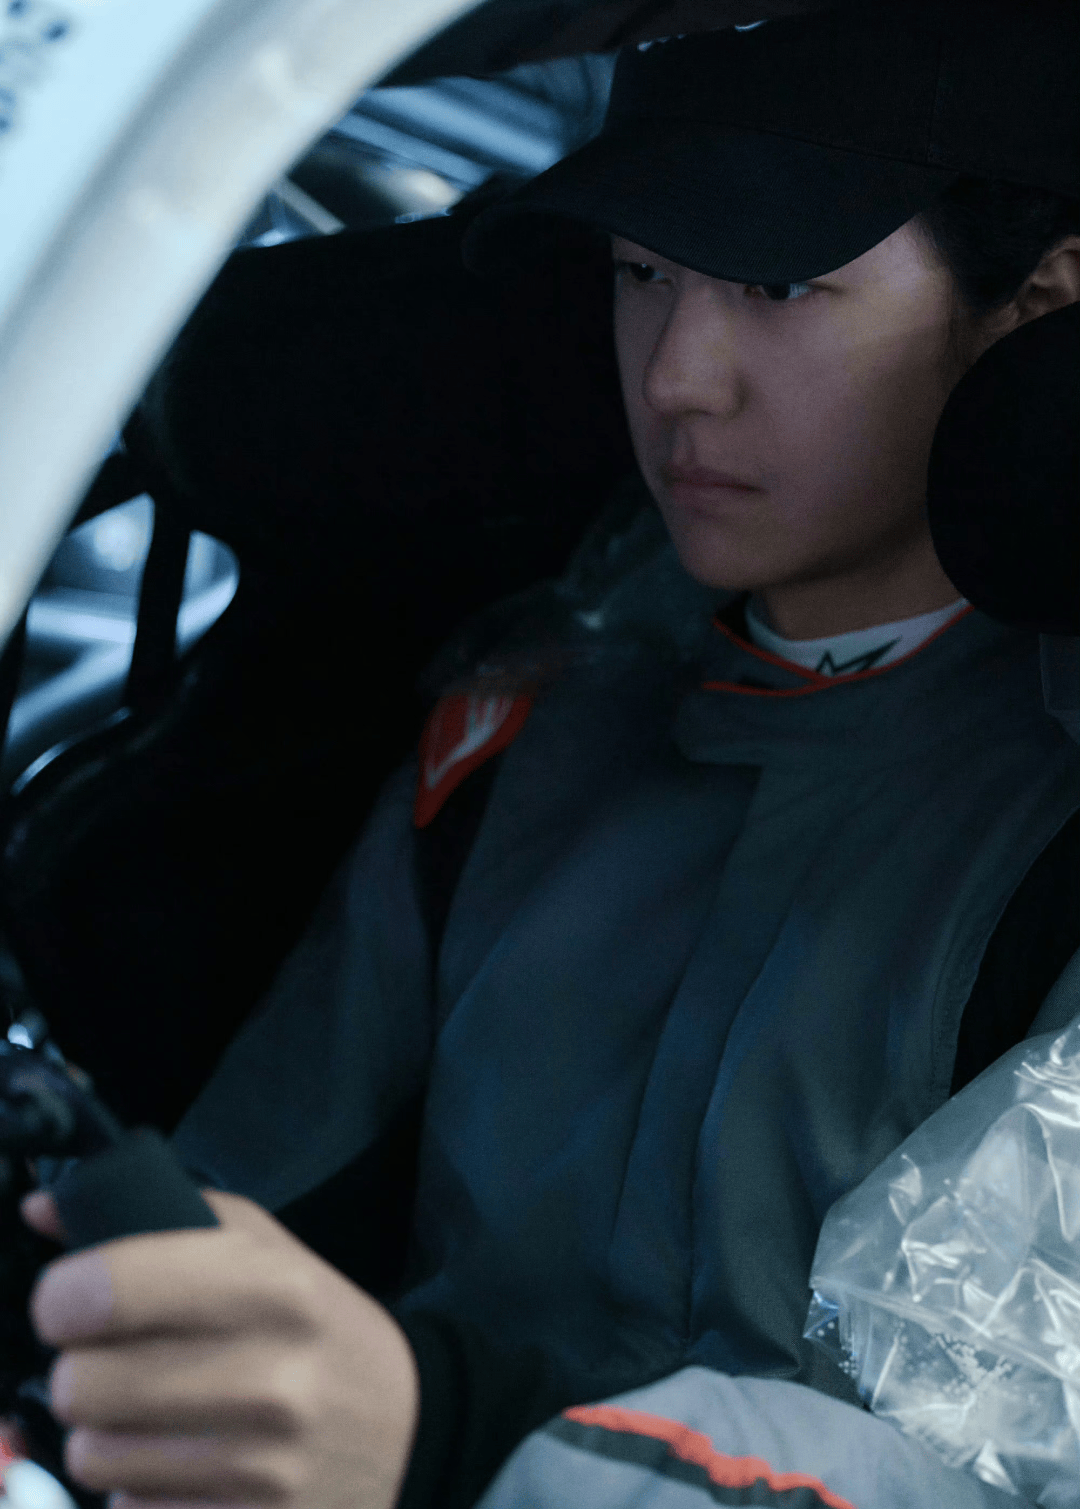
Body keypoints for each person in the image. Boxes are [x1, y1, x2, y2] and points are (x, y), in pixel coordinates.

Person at [20, 2, 1080, 1506]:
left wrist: (448, 1437)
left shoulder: (1052, 830)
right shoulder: (530, 727)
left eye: (779, 284)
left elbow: (1002, 1474)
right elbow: (246, 1191)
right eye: (643, 273)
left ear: (1035, 305)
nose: (679, 377)